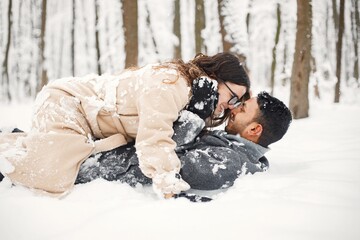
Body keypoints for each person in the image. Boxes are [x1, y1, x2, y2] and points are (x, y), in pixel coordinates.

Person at [0, 52, 250, 197]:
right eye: (233, 96)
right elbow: (155, 137)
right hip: (66, 101)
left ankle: (19, 140)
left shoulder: (196, 101)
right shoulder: (173, 83)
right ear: (216, 79)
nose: (232, 106)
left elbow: (176, 139)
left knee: (69, 159)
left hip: (88, 122)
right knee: (53, 176)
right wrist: (169, 183)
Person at [74, 92, 292, 200]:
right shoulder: (231, 145)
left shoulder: (232, 164)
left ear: (254, 130)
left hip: (95, 173)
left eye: (242, 109)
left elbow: (169, 158)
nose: (233, 110)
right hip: (98, 151)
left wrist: (195, 115)